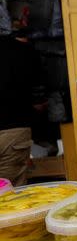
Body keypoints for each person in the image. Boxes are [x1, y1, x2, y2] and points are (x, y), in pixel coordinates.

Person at [0, 32, 45, 186]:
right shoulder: (24, 51)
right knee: (11, 194)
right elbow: (40, 100)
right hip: (15, 132)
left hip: (14, 129)